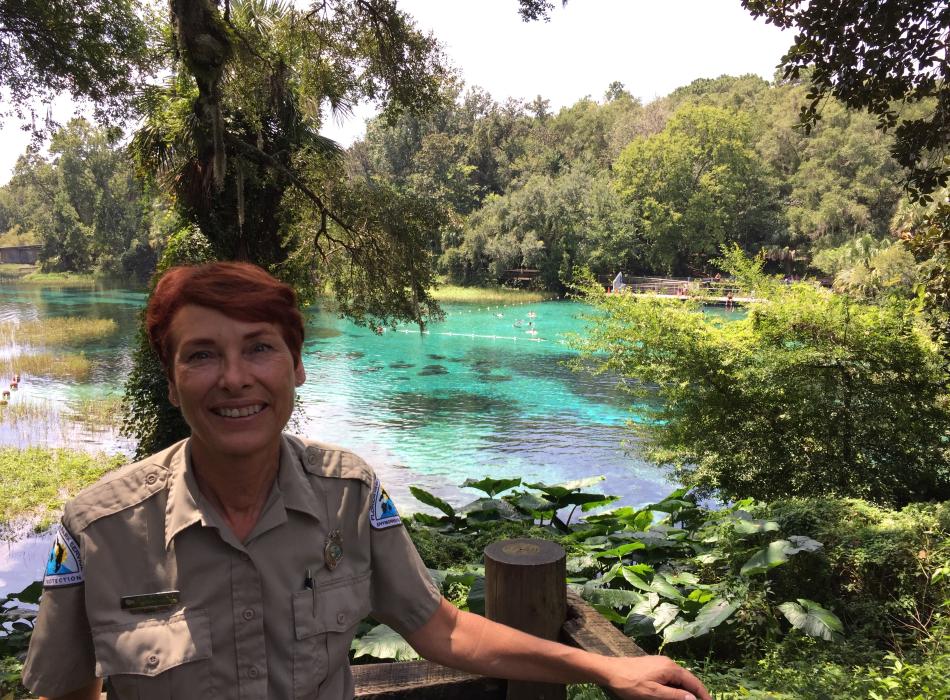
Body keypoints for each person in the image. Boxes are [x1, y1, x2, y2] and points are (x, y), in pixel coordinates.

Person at [22, 262, 711, 700]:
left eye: (259, 348)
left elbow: (440, 630)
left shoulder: (348, 495)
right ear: (170, 383)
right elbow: (66, 690)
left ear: (296, 367)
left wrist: (608, 668)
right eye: (202, 356)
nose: (234, 378)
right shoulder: (99, 530)